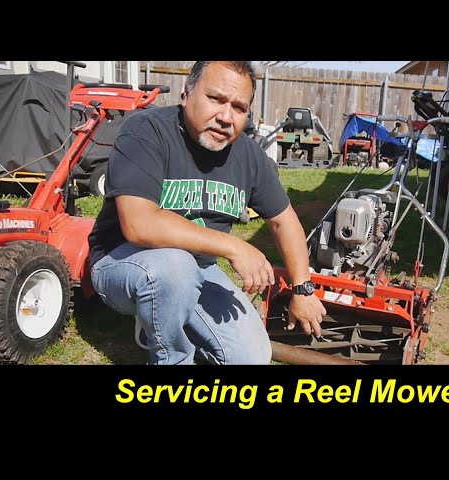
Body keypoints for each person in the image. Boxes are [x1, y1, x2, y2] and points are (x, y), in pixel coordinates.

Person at [87, 61, 326, 365]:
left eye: (239, 107)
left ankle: (176, 319)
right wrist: (233, 245)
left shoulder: (248, 156)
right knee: (175, 268)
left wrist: (302, 288)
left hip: (198, 269)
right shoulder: (146, 130)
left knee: (252, 358)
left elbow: (284, 220)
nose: (226, 117)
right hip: (122, 259)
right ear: (187, 93)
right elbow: (139, 224)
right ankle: (171, 359)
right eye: (216, 99)